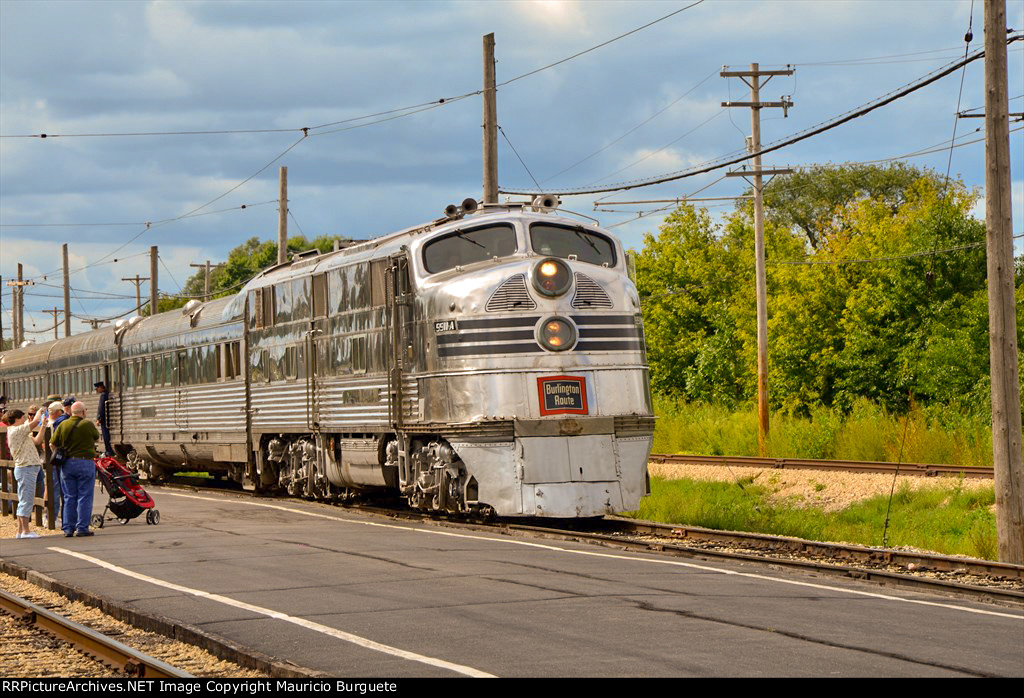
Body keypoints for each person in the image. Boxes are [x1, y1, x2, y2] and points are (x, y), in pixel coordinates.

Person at [50, 401, 100, 537]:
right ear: (83, 412)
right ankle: (82, 528)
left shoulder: (63, 425)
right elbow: (97, 437)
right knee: (85, 496)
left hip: (67, 464)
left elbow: (52, 443)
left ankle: (68, 529)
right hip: (85, 463)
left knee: (69, 496)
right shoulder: (87, 424)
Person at [5, 408, 46, 538]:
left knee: (25, 498)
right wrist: (39, 412)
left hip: (28, 468)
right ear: (16, 419)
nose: (24, 420)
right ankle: (25, 531)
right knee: (26, 499)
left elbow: (37, 441)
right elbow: (35, 422)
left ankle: (20, 531)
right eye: (22, 417)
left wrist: (43, 426)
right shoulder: (15, 431)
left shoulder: (21, 432)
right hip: (25, 467)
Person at [94, 381, 113, 457]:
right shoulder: (107, 394)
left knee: (105, 436)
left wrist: (99, 418)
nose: (96, 390)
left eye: (97, 388)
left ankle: (109, 451)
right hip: (107, 419)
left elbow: (101, 408)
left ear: (101, 387)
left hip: (104, 420)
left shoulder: (103, 395)